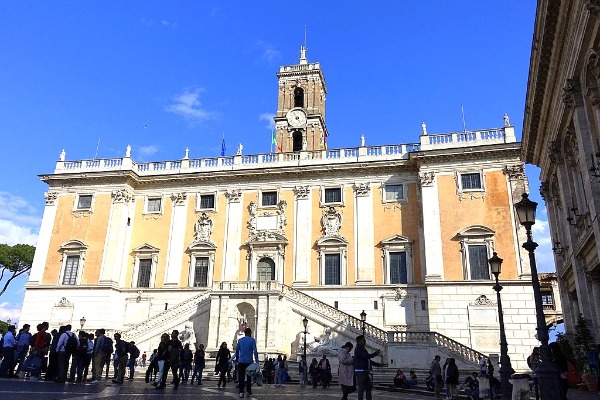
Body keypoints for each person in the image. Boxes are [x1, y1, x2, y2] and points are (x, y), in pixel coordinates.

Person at [234, 327, 259, 399]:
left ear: (244, 333)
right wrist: (256, 361)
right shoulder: (252, 340)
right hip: (249, 362)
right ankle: (248, 391)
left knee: (241, 378)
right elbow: (255, 352)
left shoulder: (240, 340)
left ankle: (241, 392)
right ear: (250, 333)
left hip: (241, 361)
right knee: (249, 377)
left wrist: (238, 359)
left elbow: (237, 351)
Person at [354, 335, 381, 400]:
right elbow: (366, 356)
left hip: (365, 370)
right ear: (359, 341)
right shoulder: (358, 349)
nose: (365, 341)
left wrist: (377, 364)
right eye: (363, 340)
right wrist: (375, 354)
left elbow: (367, 360)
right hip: (361, 371)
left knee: (368, 387)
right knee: (362, 387)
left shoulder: (362, 349)